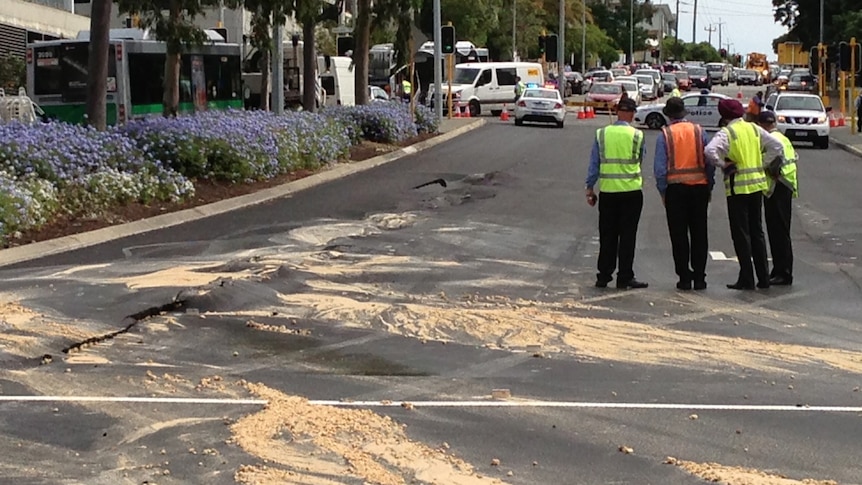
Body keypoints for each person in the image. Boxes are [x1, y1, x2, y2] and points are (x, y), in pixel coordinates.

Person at [705, 99, 784, 290]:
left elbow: (709, 151)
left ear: (724, 116)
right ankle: (764, 278)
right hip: (757, 187)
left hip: (738, 189)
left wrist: (724, 165)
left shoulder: (727, 132)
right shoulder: (754, 129)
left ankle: (747, 278)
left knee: (741, 235)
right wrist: (762, 164)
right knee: (757, 232)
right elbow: (777, 147)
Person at [585, 98, 649, 289]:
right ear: (631, 113)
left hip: (608, 192)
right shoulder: (637, 135)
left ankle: (603, 276)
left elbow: (594, 164)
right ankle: (625, 276)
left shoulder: (602, 134)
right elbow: (640, 159)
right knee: (628, 236)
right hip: (631, 192)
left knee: (608, 235)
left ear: (617, 112)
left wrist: (590, 188)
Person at [653, 97, 714, 290]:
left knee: (679, 235)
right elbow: (710, 162)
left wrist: (663, 192)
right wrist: (709, 186)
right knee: (699, 233)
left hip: (676, 190)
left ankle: (684, 277)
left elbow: (660, 170)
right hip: (699, 187)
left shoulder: (665, 134)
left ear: (668, 115)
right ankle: (700, 277)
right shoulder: (699, 131)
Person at [756, 110, 798, 286]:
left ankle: (783, 273)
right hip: (784, 186)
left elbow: (774, 162)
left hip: (778, 187)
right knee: (780, 231)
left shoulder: (772, 141)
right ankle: (780, 269)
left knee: (778, 232)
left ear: (763, 126)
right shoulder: (783, 138)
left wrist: (766, 168)